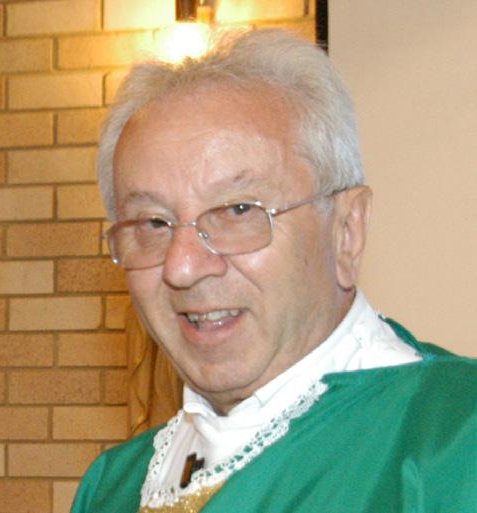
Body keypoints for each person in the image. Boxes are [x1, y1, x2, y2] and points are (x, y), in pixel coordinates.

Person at [71, 29, 477, 513]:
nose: (182, 266)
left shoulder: (452, 440)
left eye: (238, 210)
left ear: (346, 230)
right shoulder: (113, 486)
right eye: (153, 223)